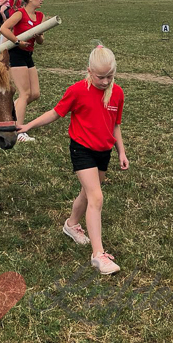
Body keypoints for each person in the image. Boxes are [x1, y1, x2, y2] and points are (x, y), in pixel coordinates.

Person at [18, 44, 128, 275]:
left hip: (104, 151)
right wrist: (28, 125)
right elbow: (55, 113)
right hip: (82, 149)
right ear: (89, 71)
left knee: (87, 194)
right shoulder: (77, 91)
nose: (105, 82)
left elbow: (116, 125)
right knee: (96, 197)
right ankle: (98, 254)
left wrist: (121, 151)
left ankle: (71, 224)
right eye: (100, 77)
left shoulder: (117, 93)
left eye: (110, 76)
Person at [0, 0, 44, 143]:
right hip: (16, 53)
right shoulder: (20, 13)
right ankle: (18, 131)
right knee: (24, 93)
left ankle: (10, 111)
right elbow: (3, 28)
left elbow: (41, 41)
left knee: (35, 93)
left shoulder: (40, 16)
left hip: (28, 54)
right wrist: (17, 41)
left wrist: (38, 36)